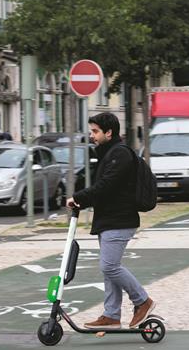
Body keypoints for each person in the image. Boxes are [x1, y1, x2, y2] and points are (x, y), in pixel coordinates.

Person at [66, 112, 155, 329]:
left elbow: (107, 185)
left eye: (95, 131)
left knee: (110, 266)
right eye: (91, 131)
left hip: (120, 220)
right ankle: (112, 315)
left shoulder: (119, 154)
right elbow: (105, 190)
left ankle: (143, 301)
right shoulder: (109, 153)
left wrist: (79, 198)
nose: (92, 135)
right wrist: (82, 201)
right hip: (110, 219)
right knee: (110, 267)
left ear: (109, 132)